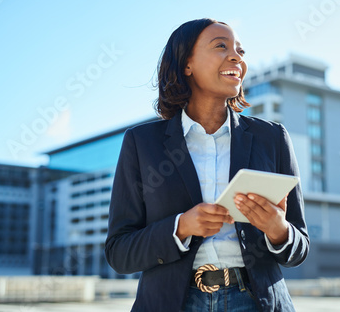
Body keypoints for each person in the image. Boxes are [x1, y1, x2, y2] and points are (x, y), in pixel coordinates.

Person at [105, 18, 309, 312]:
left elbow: (300, 246)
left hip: (256, 303)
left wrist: (278, 230)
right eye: (221, 46)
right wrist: (181, 227)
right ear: (186, 64)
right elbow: (119, 252)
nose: (236, 57)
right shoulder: (142, 143)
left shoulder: (272, 138)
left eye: (240, 50)